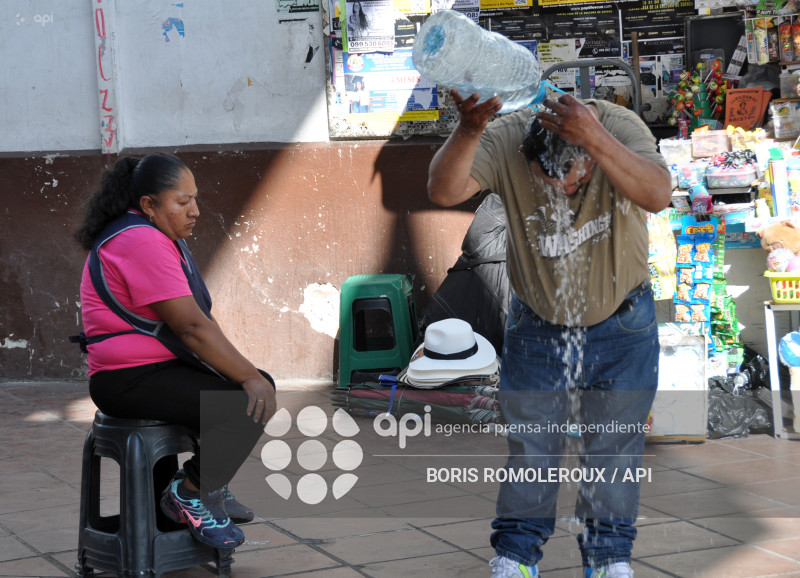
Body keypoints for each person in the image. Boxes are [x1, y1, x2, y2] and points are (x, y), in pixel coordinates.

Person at [427, 91, 671, 578]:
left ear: (589, 156)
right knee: (533, 449)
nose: (560, 193)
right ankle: (515, 558)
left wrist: (597, 140)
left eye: (574, 181)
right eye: (547, 181)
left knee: (614, 448)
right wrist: (470, 129)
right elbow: (442, 190)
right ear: (524, 157)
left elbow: (658, 194)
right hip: (538, 326)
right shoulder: (509, 137)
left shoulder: (618, 129)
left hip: (623, 323)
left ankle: (608, 559)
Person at [74, 152, 277, 549]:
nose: (195, 211)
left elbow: (197, 324)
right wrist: (248, 376)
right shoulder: (139, 239)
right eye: (183, 202)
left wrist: (247, 374)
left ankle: (206, 489)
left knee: (251, 387)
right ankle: (190, 492)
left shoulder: (148, 233)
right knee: (244, 402)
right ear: (149, 204)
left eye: (195, 199)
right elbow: (190, 326)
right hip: (127, 379)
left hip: (152, 371)